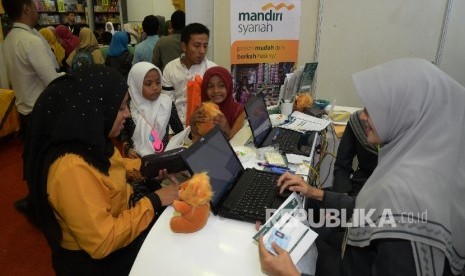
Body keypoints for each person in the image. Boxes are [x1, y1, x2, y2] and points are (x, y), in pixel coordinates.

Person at [258, 58, 464, 276]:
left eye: (373, 110)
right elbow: (375, 211)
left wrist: (290, 274)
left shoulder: (405, 197)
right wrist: (314, 193)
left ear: (408, 114)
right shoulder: (424, 166)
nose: (363, 116)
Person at [23, 66, 180, 274]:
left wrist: (152, 167)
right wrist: (156, 200)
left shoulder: (92, 143)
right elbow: (103, 242)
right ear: (97, 108)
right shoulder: (71, 169)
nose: (126, 114)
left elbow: (118, 166)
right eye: (121, 107)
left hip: (118, 234)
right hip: (98, 263)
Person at [2, 0, 63, 222]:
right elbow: (51, 81)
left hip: (25, 109)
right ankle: (41, 209)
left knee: (34, 159)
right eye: (34, 5)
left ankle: (34, 201)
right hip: (41, 111)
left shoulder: (9, 39)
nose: (38, 10)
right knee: (47, 162)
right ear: (26, 8)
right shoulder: (30, 40)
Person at [121, 62, 184, 158]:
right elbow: (124, 133)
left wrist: (172, 141)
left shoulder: (166, 104)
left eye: (158, 82)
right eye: (148, 84)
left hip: (163, 157)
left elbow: (179, 130)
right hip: (137, 160)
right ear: (136, 85)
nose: (155, 87)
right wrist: (127, 148)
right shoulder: (129, 107)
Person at [161, 22, 217, 127]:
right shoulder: (170, 68)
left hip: (203, 125)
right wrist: (171, 132)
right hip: (176, 124)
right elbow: (167, 104)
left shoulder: (212, 69)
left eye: (205, 46)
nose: (202, 51)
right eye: (197, 46)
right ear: (184, 46)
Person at [190, 66, 245, 141]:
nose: (216, 90)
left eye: (221, 85)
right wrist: (192, 124)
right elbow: (197, 144)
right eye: (210, 86)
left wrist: (226, 129)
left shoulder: (238, 111)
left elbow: (238, 146)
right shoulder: (201, 110)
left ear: (228, 87)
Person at [332, 109, 378, 196]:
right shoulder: (357, 121)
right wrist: (341, 195)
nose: (362, 116)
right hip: (359, 187)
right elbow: (342, 166)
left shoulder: (407, 139)